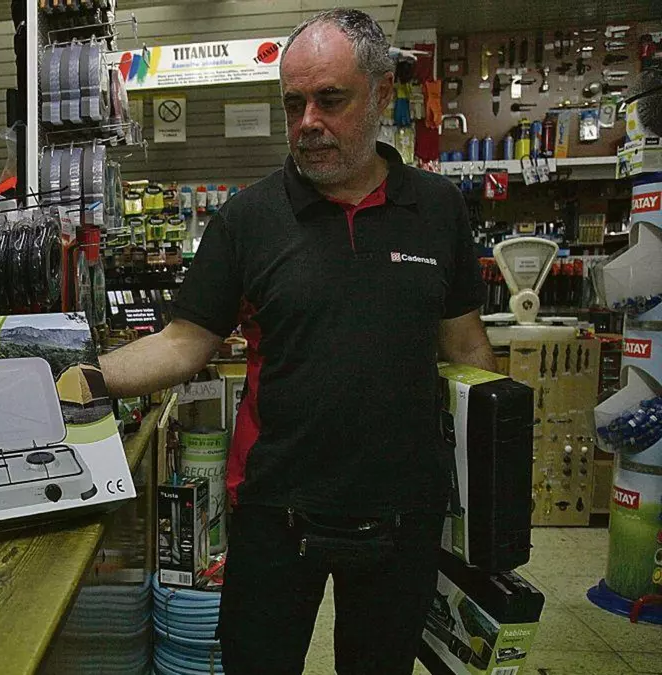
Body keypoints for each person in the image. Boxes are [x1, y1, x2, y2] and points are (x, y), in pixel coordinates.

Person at [98, 9, 496, 675]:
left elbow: (467, 348)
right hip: (275, 511)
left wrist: (496, 481)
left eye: (330, 100)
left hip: (403, 513)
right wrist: (86, 377)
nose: (308, 121)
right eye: (293, 103)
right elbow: (183, 342)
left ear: (382, 94)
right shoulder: (249, 219)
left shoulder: (437, 209)